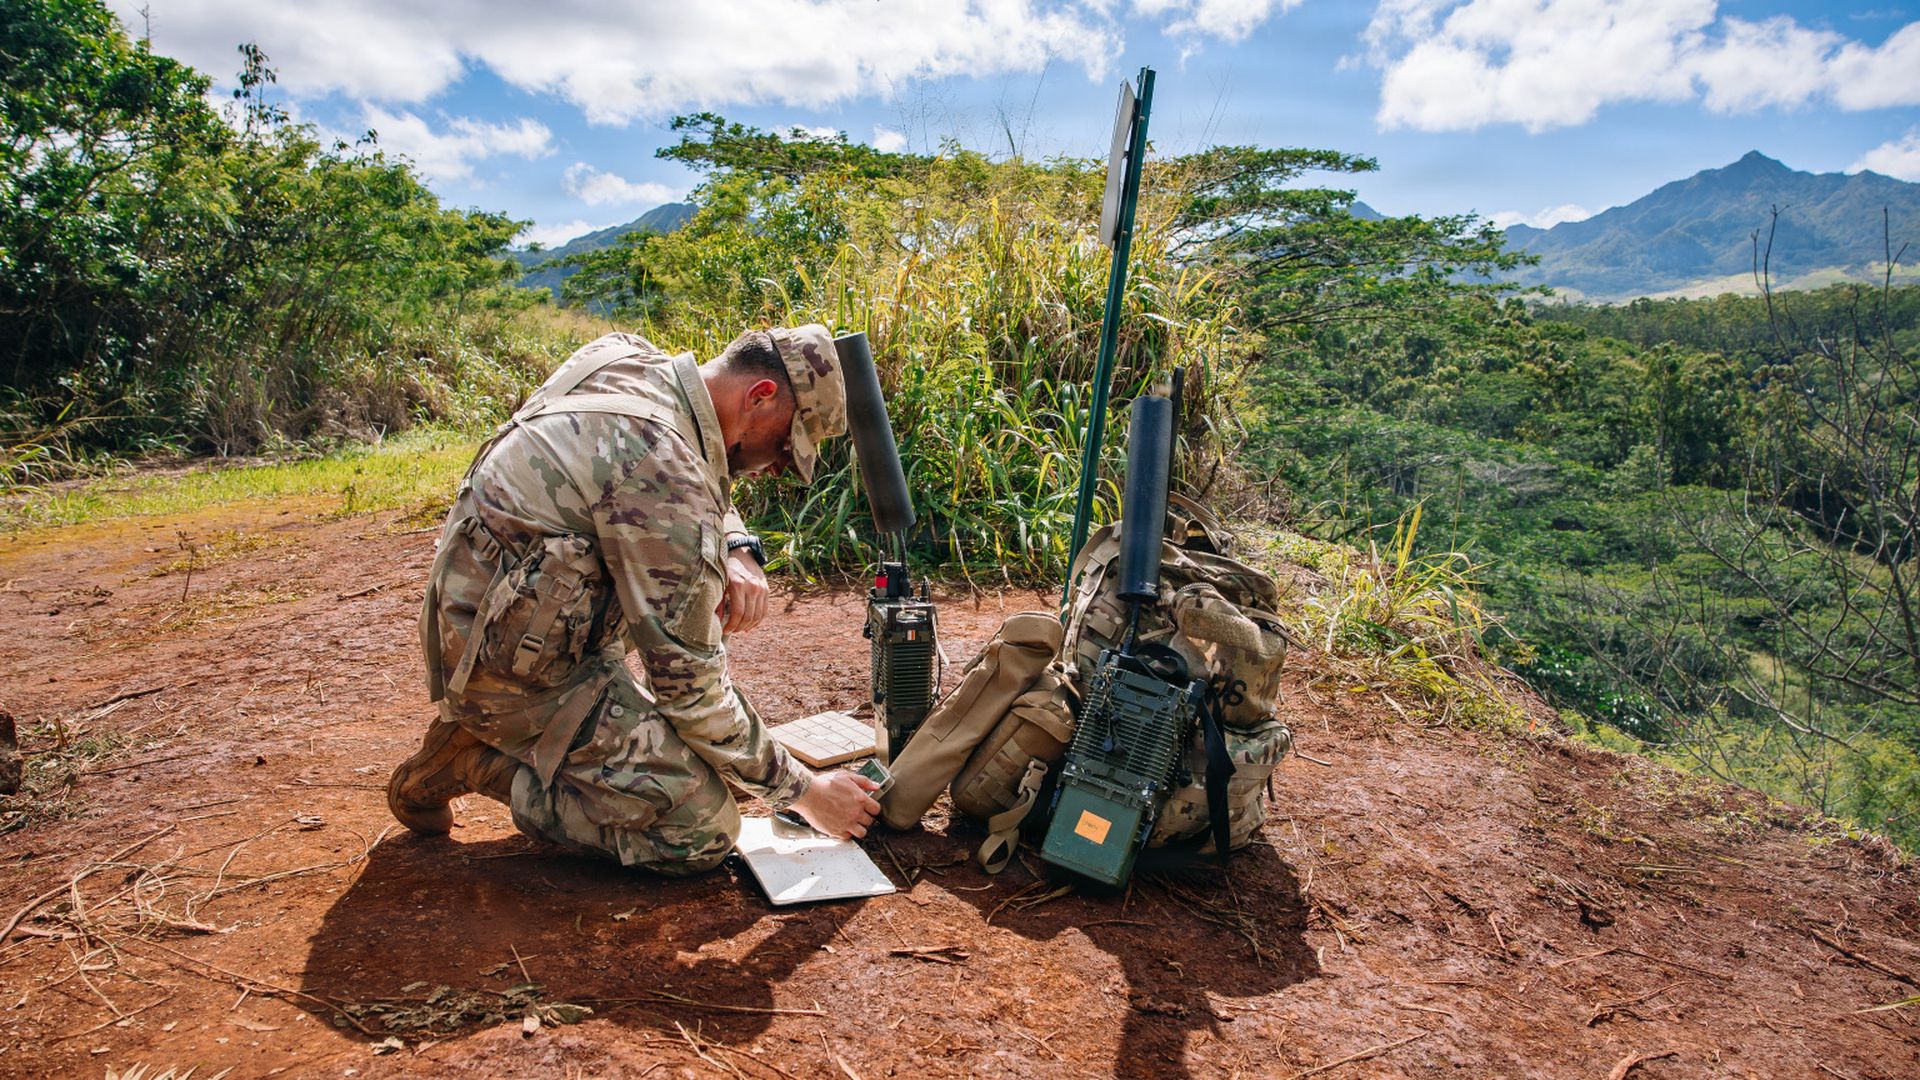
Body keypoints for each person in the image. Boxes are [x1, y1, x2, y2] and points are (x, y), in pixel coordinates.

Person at [388, 325, 881, 874]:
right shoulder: (664, 476)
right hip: (510, 673)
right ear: (761, 396)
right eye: (788, 444)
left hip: (488, 617)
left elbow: (674, 472)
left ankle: (505, 729)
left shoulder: (625, 358)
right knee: (699, 827)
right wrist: (806, 790)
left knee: (706, 747)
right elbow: (692, 695)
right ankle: (475, 759)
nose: (780, 465)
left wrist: (736, 544)